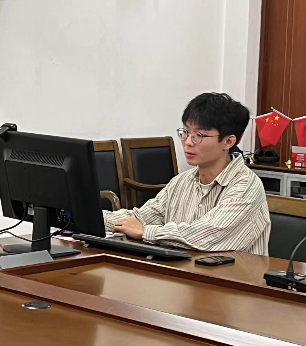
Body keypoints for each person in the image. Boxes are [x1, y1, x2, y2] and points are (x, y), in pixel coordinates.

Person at [105, 93, 270, 255]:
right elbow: (142, 218)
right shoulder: (182, 181)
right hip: (184, 270)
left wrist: (146, 232)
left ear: (228, 141)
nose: (188, 142)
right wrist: (95, 218)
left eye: (199, 135)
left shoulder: (247, 186)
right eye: (185, 132)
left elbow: (207, 235)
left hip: (233, 272)